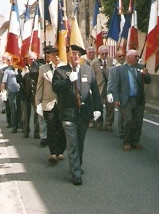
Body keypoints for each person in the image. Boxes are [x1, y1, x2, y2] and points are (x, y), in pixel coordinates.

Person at [52, 45, 102, 186]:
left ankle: (77, 165)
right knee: (72, 143)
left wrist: (98, 108)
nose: (76, 56)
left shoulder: (88, 70)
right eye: (73, 54)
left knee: (80, 141)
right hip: (68, 113)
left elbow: (95, 90)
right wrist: (69, 81)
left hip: (84, 113)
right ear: (68, 56)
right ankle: (76, 173)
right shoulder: (61, 71)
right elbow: (55, 88)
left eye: (78, 54)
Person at [108, 49, 151, 151]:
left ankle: (136, 141)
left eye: (137, 57)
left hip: (139, 99)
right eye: (135, 56)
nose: (137, 58)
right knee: (128, 120)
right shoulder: (120, 69)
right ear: (129, 57)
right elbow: (115, 85)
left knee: (138, 121)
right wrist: (116, 98)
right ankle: (127, 141)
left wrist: (146, 75)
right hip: (126, 99)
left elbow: (148, 81)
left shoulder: (141, 68)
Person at [35, 45, 66, 161]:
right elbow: (39, 87)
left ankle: (61, 150)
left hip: (62, 103)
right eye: (53, 54)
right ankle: (53, 152)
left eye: (58, 54)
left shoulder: (65, 68)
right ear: (49, 57)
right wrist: (38, 103)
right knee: (51, 127)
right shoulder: (43, 69)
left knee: (62, 127)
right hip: (48, 103)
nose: (56, 56)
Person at [90, 45, 114, 131]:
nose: (104, 55)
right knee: (98, 106)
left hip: (109, 88)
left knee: (110, 106)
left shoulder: (111, 61)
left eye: (106, 53)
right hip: (99, 87)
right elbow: (91, 76)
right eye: (102, 53)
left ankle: (108, 124)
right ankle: (99, 123)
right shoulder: (94, 63)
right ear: (99, 54)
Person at [20, 51, 41, 138]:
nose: (33, 60)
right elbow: (18, 79)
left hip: (35, 93)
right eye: (31, 59)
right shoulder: (22, 67)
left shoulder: (38, 67)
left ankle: (37, 132)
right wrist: (23, 74)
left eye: (34, 59)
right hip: (26, 94)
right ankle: (26, 131)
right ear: (27, 59)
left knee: (37, 113)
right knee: (26, 113)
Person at [1, 56, 22, 133]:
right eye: (14, 61)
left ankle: (20, 123)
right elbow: (4, 82)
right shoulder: (7, 71)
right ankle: (14, 126)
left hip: (20, 92)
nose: (15, 63)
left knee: (20, 109)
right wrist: (3, 91)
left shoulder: (20, 70)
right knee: (13, 109)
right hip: (11, 92)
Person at [108, 49, 126, 138]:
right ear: (116, 57)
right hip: (119, 94)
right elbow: (110, 83)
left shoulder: (129, 67)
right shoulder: (113, 69)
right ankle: (122, 131)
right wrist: (110, 93)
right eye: (119, 56)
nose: (122, 57)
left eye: (123, 55)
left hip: (129, 94)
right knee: (122, 114)